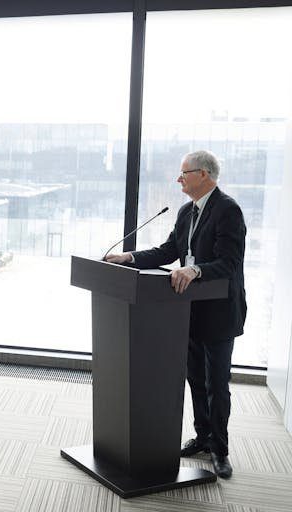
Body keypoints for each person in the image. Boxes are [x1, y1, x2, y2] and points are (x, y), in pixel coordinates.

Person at [105, 150, 246, 479]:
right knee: (195, 378)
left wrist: (194, 270)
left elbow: (229, 262)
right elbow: (169, 251)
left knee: (216, 384)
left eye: (185, 173)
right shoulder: (186, 211)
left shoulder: (228, 210)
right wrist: (129, 257)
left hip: (219, 312)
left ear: (205, 175)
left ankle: (220, 450)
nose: (178, 178)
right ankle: (202, 436)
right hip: (188, 312)